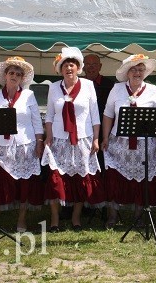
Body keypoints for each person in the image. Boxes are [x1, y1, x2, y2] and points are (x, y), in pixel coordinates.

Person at [42, 47, 105, 232]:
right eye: (65, 66)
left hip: (82, 139)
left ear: (78, 68)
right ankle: (55, 218)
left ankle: (76, 218)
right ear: (60, 70)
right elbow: (49, 116)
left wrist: (95, 139)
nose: (69, 68)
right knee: (55, 180)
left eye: (72, 65)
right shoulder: (54, 87)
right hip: (59, 140)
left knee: (79, 180)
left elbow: (95, 115)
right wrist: (49, 135)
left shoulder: (88, 85)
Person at [101, 54, 156, 229]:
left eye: (140, 69)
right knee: (115, 178)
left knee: (142, 180)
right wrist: (105, 137)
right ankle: (112, 216)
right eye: (133, 69)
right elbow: (108, 114)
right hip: (119, 142)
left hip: (144, 143)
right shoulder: (117, 89)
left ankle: (139, 217)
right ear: (127, 73)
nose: (137, 73)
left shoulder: (151, 89)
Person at [0, 56, 44, 232]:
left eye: (18, 74)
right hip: (2, 146)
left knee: (25, 185)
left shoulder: (29, 95)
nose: (14, 76)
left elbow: (37, 121)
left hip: (25, 145)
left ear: (22, 79)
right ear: (5, 76)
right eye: (11, 72)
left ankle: (21, 220)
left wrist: (39, 142)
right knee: (0, 183)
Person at [83, 54, 115, 173]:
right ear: (83, 67)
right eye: (88, 64)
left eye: (94, 64)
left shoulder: (110, 85)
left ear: (100, 66)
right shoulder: (78, 84)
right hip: (84, 129)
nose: (91, 67)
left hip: (104, 129)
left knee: (103, 160)